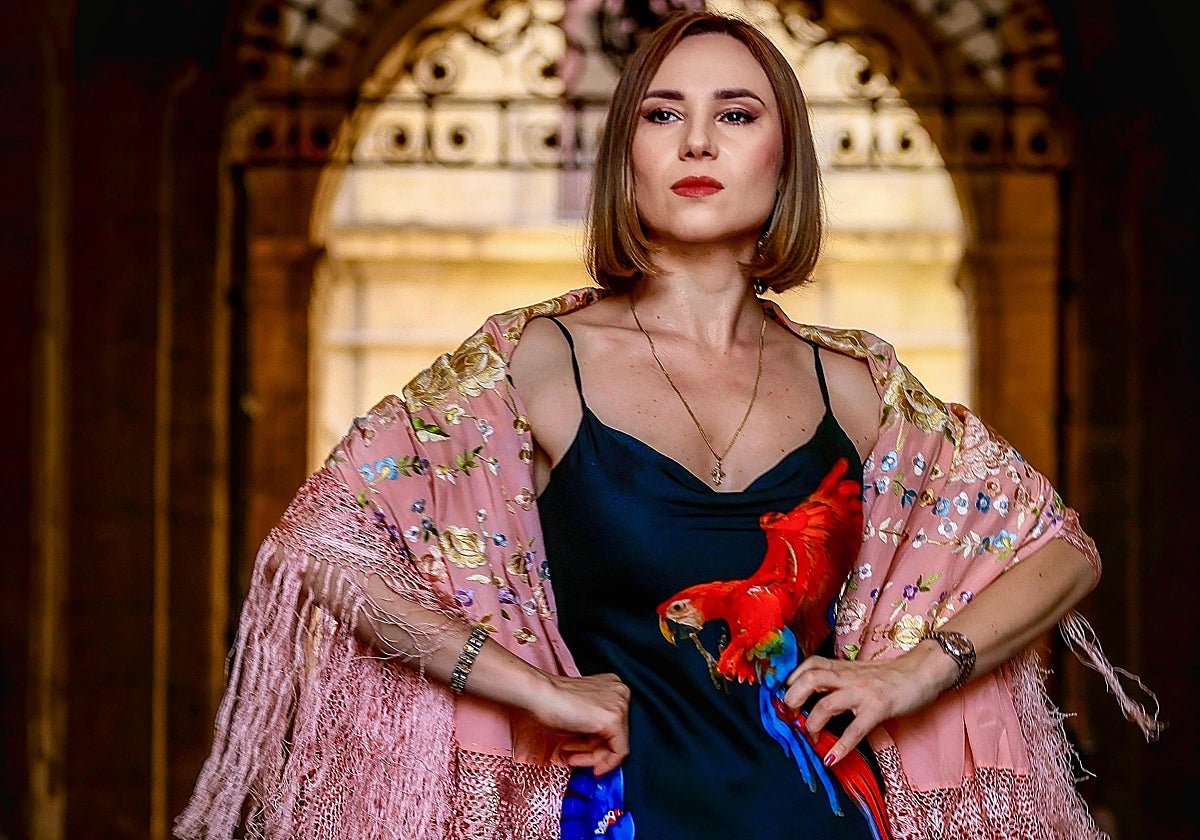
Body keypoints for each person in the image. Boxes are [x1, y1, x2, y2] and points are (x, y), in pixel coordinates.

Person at [175, 10, 1160, 840]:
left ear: (784, 159)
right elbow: (321, 547)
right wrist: (533, 689)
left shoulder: (857, 386)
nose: (697, 142)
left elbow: (1061, 551)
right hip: (616, 820)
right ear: (629, 156)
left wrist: (910, 676)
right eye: (662, 114)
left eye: (736, 113)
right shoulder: (532, 364)